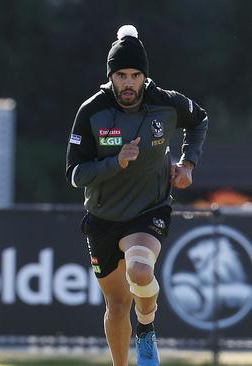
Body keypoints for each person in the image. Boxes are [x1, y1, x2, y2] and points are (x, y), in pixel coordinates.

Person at [65, 25, 208, 366]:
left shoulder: (166, 103)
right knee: (116, 307)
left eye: (135, 75)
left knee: (141, 271)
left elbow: (199, 119)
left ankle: (146, 329)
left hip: (149, 210)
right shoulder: (91, 112)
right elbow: (75, 174)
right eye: (121, 75)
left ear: (144, 76)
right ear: (111, 77)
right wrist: (116, 162)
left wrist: (187, 163)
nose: (128, 83)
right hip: (102, 218)